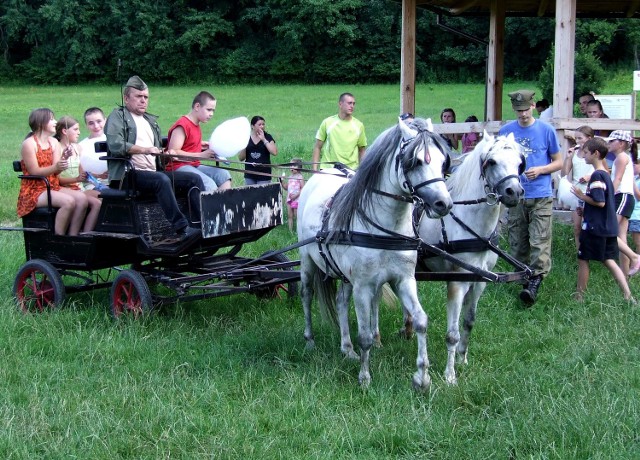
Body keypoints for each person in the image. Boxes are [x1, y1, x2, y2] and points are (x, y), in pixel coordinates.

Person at [104, 75, 203, 240]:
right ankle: (182, 228)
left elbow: (156, 152)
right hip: (127, 175)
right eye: (138, 96)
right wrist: (144, 149)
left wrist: (165, 155)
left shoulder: (150, 121)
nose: (143, 100)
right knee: (160, 180)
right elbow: (116, 145)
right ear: (126, 98)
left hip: (152, 171)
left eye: (146, 97)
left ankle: (200, 224)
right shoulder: (118, 116)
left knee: (194, 179)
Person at [498, 89, 562, 306]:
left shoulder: (546, 130)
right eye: (518, 111)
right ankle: (523, 278)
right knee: (517, 242)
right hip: (517, 196)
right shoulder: (506, 132)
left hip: (541, 193)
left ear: (533, 106)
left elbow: (559, 161)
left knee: (540, 240)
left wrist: (542, 170)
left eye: (525, 109)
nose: (522, 114)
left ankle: (534, 283)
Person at [571, 137, 634, 303]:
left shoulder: (597, 175)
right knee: (608, 260)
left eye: (585, 152)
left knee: (583, 259)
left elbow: (600, 202)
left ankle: (580, 296)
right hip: (606, 226)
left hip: (594, 228)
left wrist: (581, 196)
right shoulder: (606, 174)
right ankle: (628, 297)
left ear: (595, 153)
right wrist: (585, 208)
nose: (583, 156)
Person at [17, 108, 88, 236]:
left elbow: (56, 170)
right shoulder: (29, 144)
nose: (55, 122)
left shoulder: (53, 142)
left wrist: (64, 158)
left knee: (82, 199)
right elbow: (35, 171)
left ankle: (73, 237)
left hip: (52, 185)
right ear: (40, 123)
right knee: (68, 201)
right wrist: (56, 167)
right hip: (34, 190)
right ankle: (58, 239)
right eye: (51, 119)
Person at [166, 91, 231, 192]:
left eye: (213, 110)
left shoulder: (196, 124)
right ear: (197, 106)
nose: (211, 114)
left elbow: (187, 145)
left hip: (193, 165)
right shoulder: (182, 125)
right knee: (209, 184)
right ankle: (212, 207)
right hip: (177, 167)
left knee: (224, 175)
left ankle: (225, 206)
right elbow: (174, 152)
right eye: (209, 110)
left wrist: (201, 145)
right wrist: (202, 155)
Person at [54, 116, 102, 232]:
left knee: (103, 195)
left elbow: (81, 172)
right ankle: (78, 234)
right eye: (75, 129)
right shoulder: (57, 149)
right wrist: (77, 179)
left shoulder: (77, 148)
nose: (79, 133)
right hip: (65, 189)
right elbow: (56, 178)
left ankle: (90, 231)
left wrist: (96, 176)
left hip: (79, 187)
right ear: (65, 131)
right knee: (96, 204)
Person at [608, 129, 640, 276]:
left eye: (611, 141)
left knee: (608, 231)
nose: (608, 143)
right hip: (627, 198)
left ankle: (635, 257)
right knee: (621, 237)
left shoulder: (621, 157)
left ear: (620, 143)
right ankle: (625, 275)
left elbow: (618, 179)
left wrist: (607, 197)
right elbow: (632, 184)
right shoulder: (625, 157)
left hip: (621, 197)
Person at [312, 92, 367, 171]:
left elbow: (362, 150)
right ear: (340, 104)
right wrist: (314, 170)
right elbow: (317, 147)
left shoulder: (359, 126)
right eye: (349, 103)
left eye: (353, 104)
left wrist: (362, 172)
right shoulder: (327, 122)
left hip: (350, 170)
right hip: (329, 169)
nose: (352, 106)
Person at [561, 125, 595, 249]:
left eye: (580, 138)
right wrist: (568, 157)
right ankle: (579, 252)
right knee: (577, 227)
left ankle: (592, 252)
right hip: (576, 193)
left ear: (589, 138)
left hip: (590, 192)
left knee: (590, 226)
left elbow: (604, 171)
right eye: (576, 138)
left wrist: (589, 176)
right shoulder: (575, 152)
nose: (577, 141)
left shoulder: (595, 152)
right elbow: (564, 174)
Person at [238, 115, 278, 185]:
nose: (262, 126)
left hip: (264, 174)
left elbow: (274, 152)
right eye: (259, 124)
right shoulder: (246, 138)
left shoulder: (268, 137)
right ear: (253, 126)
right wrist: (245, 144)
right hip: (250, 173)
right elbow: (241, 158)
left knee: (262, 195)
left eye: (263, 124)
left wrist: (263, 139)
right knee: (250, 194)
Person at [78, 107, 109, 190]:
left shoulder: (113, 141)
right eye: (91, 123)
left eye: (99, 121)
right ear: (86, 125)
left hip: (114, 182)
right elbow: (80, 173)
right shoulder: (81, 146)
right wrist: (98, 176)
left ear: (105, 121)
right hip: (92, 184)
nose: (96, 126)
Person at [279, 158, 304, 232]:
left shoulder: (300, 177)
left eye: (293, 165)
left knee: (297, 216)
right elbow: (286, 187)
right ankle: (290, 231)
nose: (291, 167)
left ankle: (299, 230)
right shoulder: (290, 177)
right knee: (290, 216)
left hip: (297, 199)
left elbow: (303, 188)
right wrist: (282, 181)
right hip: (289, 199)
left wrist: (296, 195)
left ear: (299, 167)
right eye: (290, 165)